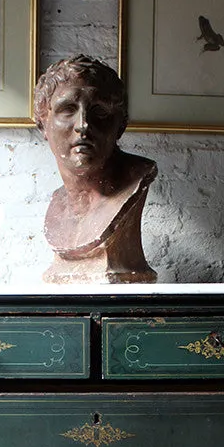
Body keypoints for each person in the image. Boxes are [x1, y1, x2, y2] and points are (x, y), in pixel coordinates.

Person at [34, 54, 157, 283]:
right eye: (68, 109)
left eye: (99, 111)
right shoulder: (57, 202)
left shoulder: (136, 177)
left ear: (120, 125)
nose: (83, 125)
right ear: (43, 123)